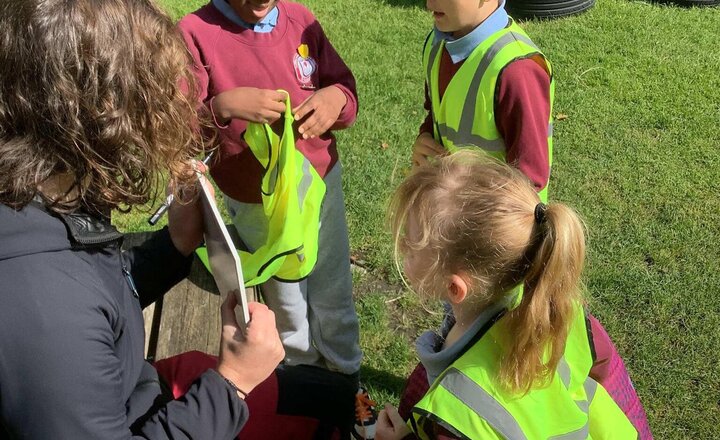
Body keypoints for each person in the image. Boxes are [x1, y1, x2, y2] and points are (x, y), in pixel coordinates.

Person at [0, 0, 285, 438]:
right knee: (312, 407)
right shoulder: (45, 316)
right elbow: (74, 311)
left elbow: (97, 293)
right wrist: (232, 387)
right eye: (150, 94)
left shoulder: (42, 189)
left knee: (319, 394)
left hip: (129, 384)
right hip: (136, 410)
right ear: (101, 108)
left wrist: (172, 247)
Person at [178, 1, 374, 437]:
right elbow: (176, 127)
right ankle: (306, 394)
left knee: (333, 296)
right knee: (288, 308)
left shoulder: (301, 21)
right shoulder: (194, 33)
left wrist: (335, 98)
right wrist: (221, 106)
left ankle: (350, 390)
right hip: (256, 203)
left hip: (317, 190)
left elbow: (347, 91)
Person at [376, 151, 652, 439]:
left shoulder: (460, 411)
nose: (401, 249)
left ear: (455, 289)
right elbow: (608, 374)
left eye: (409, 244)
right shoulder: (559, 308)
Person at [413, 0, 553, 202]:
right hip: (449, 215)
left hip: (495, 227)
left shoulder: (517, 71)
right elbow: (438, 112)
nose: (429, 3)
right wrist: (425, 136)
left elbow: (528, 185)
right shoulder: (437, 45)